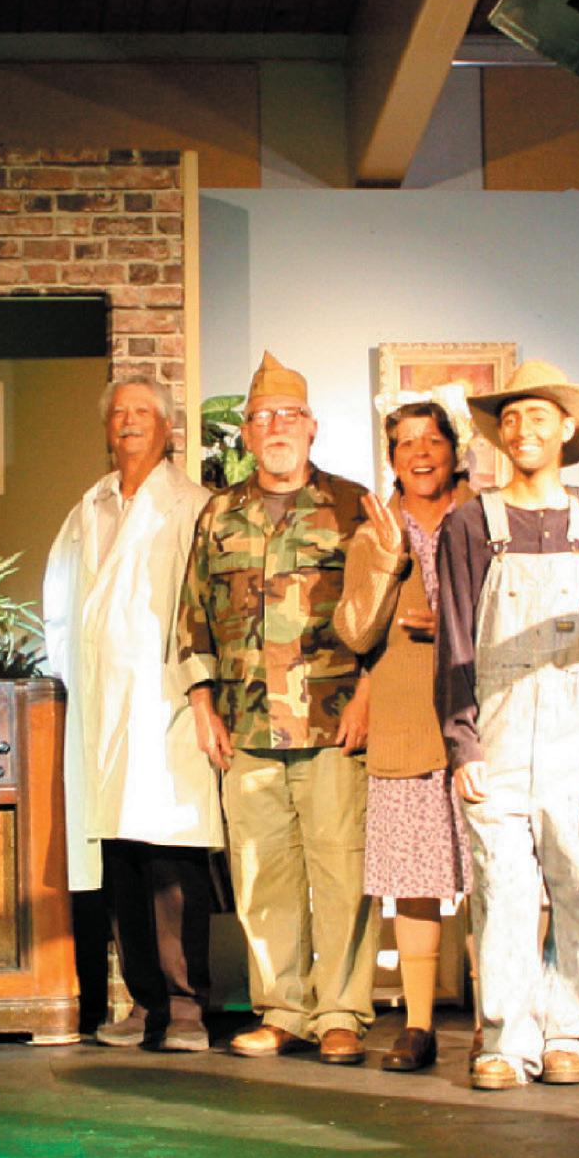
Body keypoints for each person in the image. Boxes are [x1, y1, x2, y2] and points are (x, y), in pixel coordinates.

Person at [176, 352, 374, 1066]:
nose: (276, 428)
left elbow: (382, 610)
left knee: (341, 873)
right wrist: (203, 704)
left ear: (312, 426)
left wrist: (370, 696)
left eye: (289, 415)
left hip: (333, 722)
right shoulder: (219, 513)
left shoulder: (353, 506)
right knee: (262, 877)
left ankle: (342, 1012)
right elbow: (193, 614)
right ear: (248, 435)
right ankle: (283, 1010)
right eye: (262, 418)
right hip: (247, 726)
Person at [434, 359, 579, 1091]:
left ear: (567, 428)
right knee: (503, 891)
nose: (522, 430)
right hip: (499, 733)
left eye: (537, 415)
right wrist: (463, 742)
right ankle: (505, 1042)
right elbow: (455, 637)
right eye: (510, 418)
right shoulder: (469, 523)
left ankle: (571, 1033)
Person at [43, 376, 220, 1053]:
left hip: (168, 699)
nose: (128, 422)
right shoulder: (89, 506)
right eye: (118, 413)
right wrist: (70, 673)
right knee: (119, 854)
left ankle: (186, 1009)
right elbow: (60, 599)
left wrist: (203, 692)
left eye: (143, 412)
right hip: (103, 702)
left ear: (168, 428)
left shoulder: (194, 505)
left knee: (171, 854)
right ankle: (144, 1003)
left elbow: (204, 605)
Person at [331, 392, 475, 1073]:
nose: (421, 453)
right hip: (408, 720)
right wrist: (389, 561)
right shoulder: (373, 533)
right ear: (391, 459)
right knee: (416, 879)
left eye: (433, 440)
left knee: (494, 877)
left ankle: (499, 1021)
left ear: (454, 451)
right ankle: (419, 1025)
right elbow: (357, 632)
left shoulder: (485, 520)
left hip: (483, 723)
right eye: (406, 443)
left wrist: (454, 626)